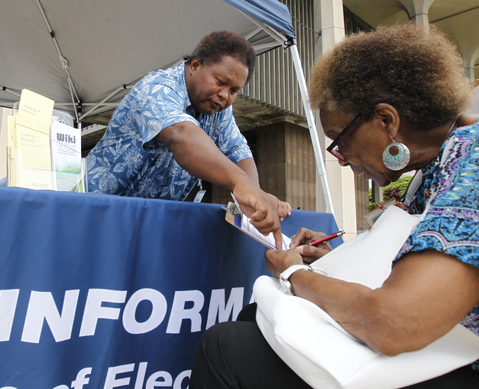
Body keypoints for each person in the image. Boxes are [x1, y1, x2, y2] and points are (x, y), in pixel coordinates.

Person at [190, 23, 479, 388]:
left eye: (338, 140)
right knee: (252, 318)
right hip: (438, 348)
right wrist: (336, 257)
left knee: (224, 346)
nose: (341, 159)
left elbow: (394, 323)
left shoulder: (473, 165)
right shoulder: (440, 162)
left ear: (386, 120)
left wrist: (295, 275)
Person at [87, 31, 290, 246]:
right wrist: (240, 182)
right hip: (95, 216)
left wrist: (255, 197)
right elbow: (181, 136)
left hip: (147, 227)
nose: (225, 95)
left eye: (234, 90)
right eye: (220, 82)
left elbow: (239, 152)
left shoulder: (219, 110)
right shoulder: (156, 87)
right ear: (195, 66)